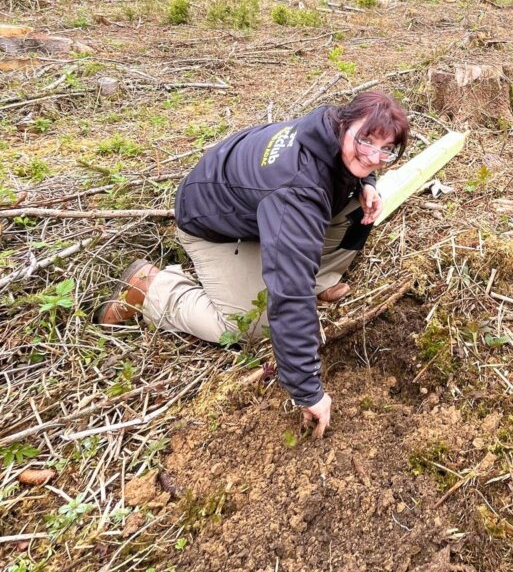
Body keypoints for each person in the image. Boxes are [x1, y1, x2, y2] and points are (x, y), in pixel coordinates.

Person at [97, 91, 410, 436]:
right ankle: (155, 289)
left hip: (258, 209)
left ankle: (316, 278)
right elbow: (289, 294)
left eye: (386, 150)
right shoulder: (297, 189)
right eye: (366, 142)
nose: (373, 156)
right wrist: (306, 389)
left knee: (359, 212)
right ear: (345, 124)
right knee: (251, 325)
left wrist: (366, 184)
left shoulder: (328, 129)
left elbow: (364, 162)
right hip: (213, 226)